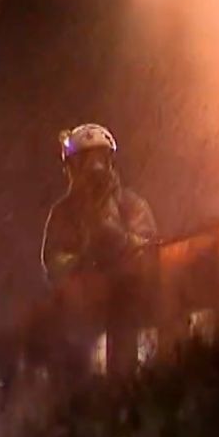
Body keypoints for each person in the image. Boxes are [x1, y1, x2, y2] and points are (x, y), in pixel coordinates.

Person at [40, 123, 158, 379]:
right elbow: (53, 264)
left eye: (99, 159)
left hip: (127, 315)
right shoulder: (63, 215)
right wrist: (85, 259)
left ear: (110, 162)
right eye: (85, 161)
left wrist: (117, 239)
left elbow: (148, 253)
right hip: (80, 323)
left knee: (125, 372)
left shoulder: (131, 205)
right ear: (71, 169)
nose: (94, 169)